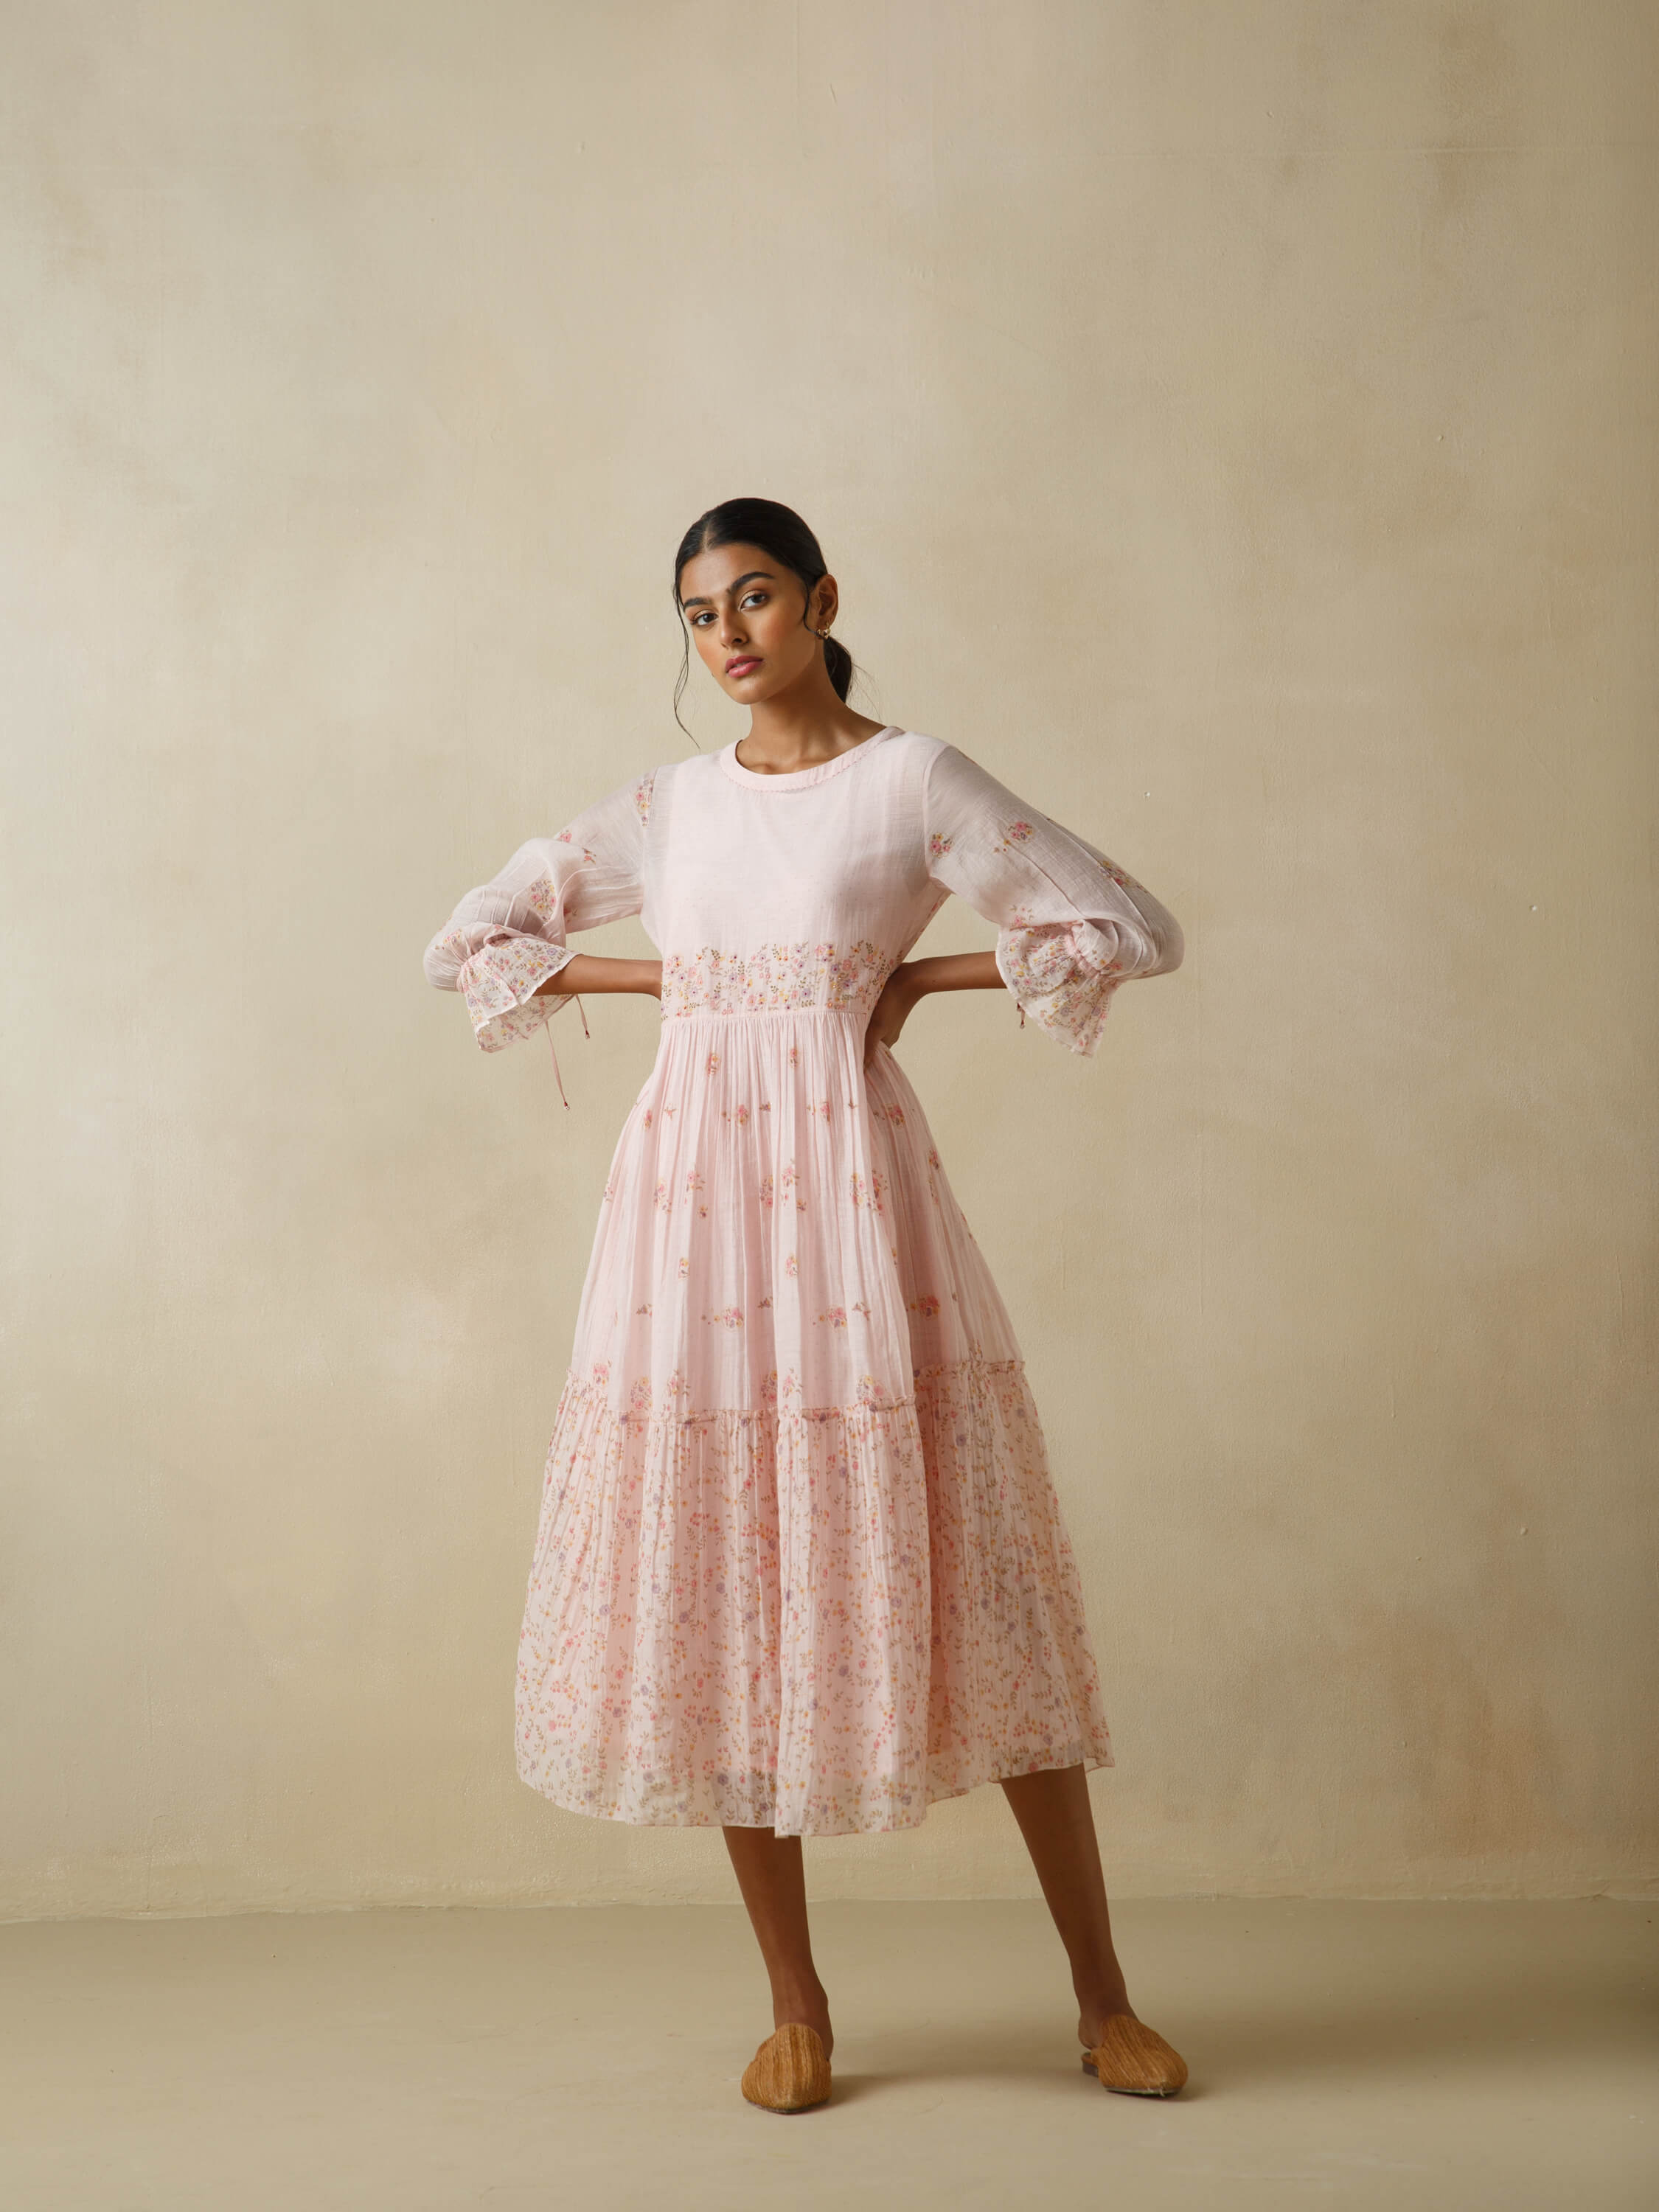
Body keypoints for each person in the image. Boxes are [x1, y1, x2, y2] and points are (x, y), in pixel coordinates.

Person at [422, 497, 1188, 2113]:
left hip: (856, 1212)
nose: (730, 636)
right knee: (724, 1580)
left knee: (975, 1571)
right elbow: (471, 938)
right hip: (689, 1221)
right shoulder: (670, 809)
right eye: (700, 616)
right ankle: (797, 1999)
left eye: (755, 598)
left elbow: (1127, 922)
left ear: (822, 598)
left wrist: (912, 978)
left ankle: (1103, 1996)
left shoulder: (913, 783)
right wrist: (667, 984)